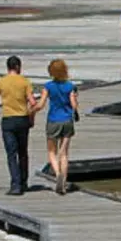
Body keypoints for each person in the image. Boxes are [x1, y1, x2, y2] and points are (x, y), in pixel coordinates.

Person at [0, 55, 37, 196]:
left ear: (8, 67)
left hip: (8, 120)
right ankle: (24, 182)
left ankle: (15, 185)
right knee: (23, 153)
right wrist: (31, 118)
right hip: (22, 119)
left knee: (11, 154)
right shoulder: (25, 81)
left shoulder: (1, 82)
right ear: (18, 67)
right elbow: (33, 103)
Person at [32, 59, 78, 195]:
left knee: (52, 151)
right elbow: (74, 105)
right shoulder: (70, 86)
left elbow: (40, 105)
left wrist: (31, 111)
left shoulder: (48, 86)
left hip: (53, 120)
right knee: (64, 154)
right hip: (67, 121)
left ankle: (57, 174)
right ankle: (63, 183)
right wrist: (75, 101)